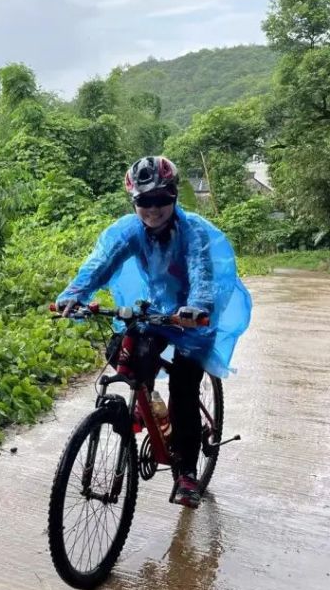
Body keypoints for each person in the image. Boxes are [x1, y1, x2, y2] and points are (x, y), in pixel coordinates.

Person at [55, 155, 251, 508]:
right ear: (134, 202)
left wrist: (197, 308)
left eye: (162, 199)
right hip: (160, 308)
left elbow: (201, 273)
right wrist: (74, 294)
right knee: (123, 350)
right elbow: (100, 264)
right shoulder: (130, 232)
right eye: (144, 201)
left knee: (184, 387)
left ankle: (186, 472)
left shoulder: (192, 234)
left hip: (194, 315)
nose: (153, 209)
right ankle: (149, 405)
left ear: (174, 195)